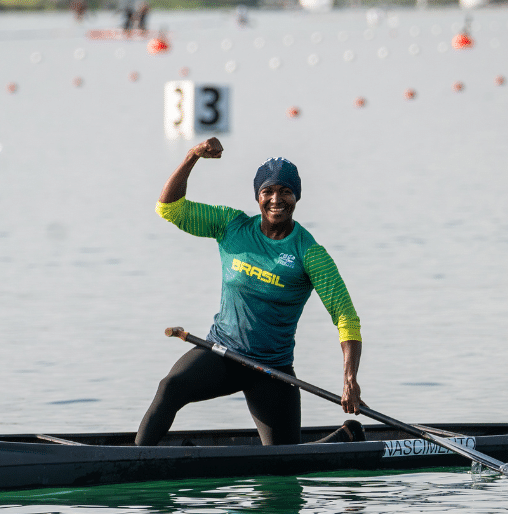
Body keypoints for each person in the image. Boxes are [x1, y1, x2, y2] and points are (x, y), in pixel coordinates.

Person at [135, 137, 365, 447]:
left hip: (271, 369)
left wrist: (349, 379)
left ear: (296, 196)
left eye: (285, 191)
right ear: (257, 196)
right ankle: (139, 458)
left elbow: (345, 317)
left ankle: (345, 438)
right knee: (170, 387)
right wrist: (193, 156)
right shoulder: (231, 226)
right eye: (267, 191)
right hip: (222, 353)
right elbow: (169, 208)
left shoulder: (309, 253)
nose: (276, 200)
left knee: (282, 462)